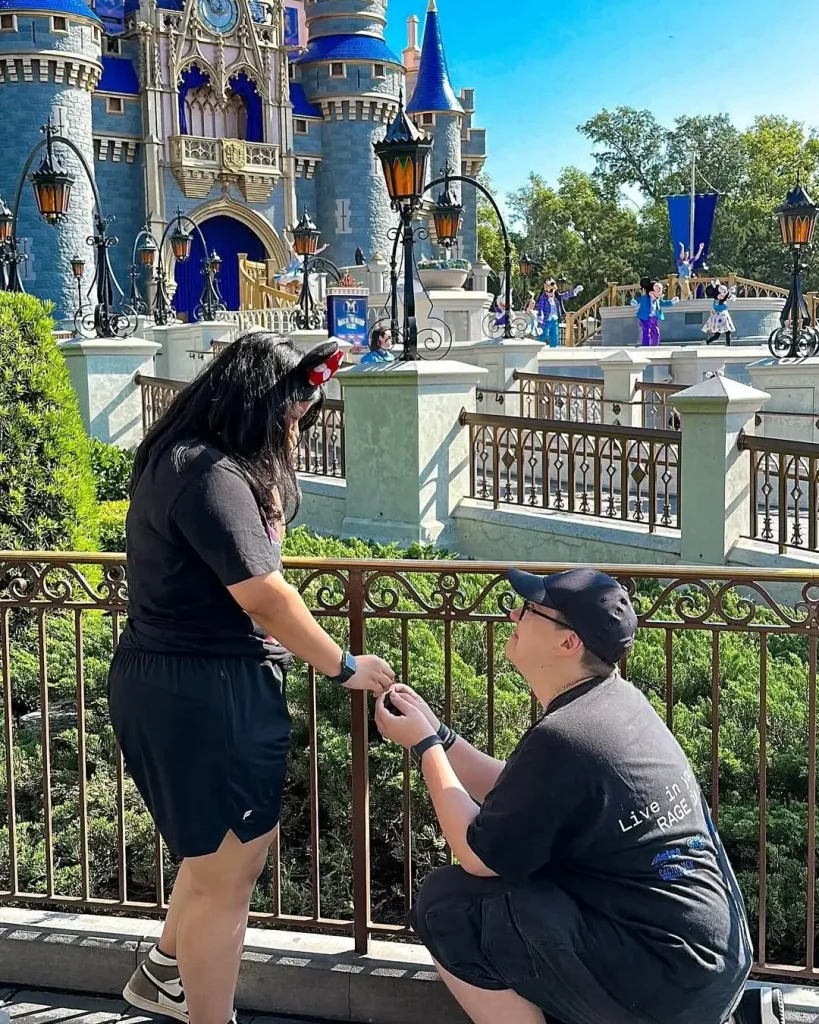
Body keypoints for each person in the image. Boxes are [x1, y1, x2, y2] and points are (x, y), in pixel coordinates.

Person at [109, 334, 395, 1024]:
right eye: (292, 416)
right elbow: (264, 594)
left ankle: (163, 977)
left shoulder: (190, 460)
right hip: (205, 691)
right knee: (225, 880)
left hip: (190, 682)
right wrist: (345, 665)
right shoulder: (208, 474)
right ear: (259, 407)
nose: (294, 430)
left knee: (218, 860)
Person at [375, 567, 753, 1024]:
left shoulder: (566, 735)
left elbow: (479, 854)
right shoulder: (615, 703)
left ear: (568, 642)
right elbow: (522, 796)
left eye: (530, 609)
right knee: (516, 897)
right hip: (706, 965)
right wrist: (441, 734)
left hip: (665, 979)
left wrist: (425, 747)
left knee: (446, 904)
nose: (514, 614)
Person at [536, 277, 583, 347]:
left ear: (554, 289)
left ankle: (553, 349)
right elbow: (540, 308)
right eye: (547, 291)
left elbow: (566, 295)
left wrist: (575, 291)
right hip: (546, 320)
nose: (549, 292)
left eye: (551, 290)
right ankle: (535, 346)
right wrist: (540, 318)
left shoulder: (556, 297)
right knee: (544, 334)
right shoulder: (543, 298)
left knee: (555, 335)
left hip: (554, 319)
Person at [632, 277, 679, 346]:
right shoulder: (645, 298)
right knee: (646, 332)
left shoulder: (657, 299)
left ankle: (655, 346)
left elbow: (663, 303)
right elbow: (638, 300)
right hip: (644, 317)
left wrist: (672, 302)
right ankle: (646, 346)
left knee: (656, 332)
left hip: (653, 317)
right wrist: (634, 302)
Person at [704, 281, 736, 345]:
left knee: (728, 332)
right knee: (717, 335)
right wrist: (729, 292)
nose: (722, 295)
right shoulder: (718, 300)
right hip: (719, 318)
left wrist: (729, 293)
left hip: (724, 316)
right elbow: (723, 300)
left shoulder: (720, 299)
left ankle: (728, 344)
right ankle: (707, 342)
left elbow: (725, 298)